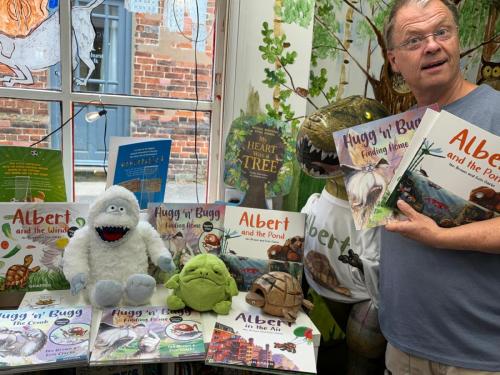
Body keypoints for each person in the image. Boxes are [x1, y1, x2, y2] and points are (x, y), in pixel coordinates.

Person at [380, 0, 500, 374]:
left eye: (441, 32)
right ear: (394, 60)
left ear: (457, 40)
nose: (431, 45)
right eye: (414, 40)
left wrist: (442, 237)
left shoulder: (496, 112)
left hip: (477, 355)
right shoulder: (392, 132)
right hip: (402, 344)